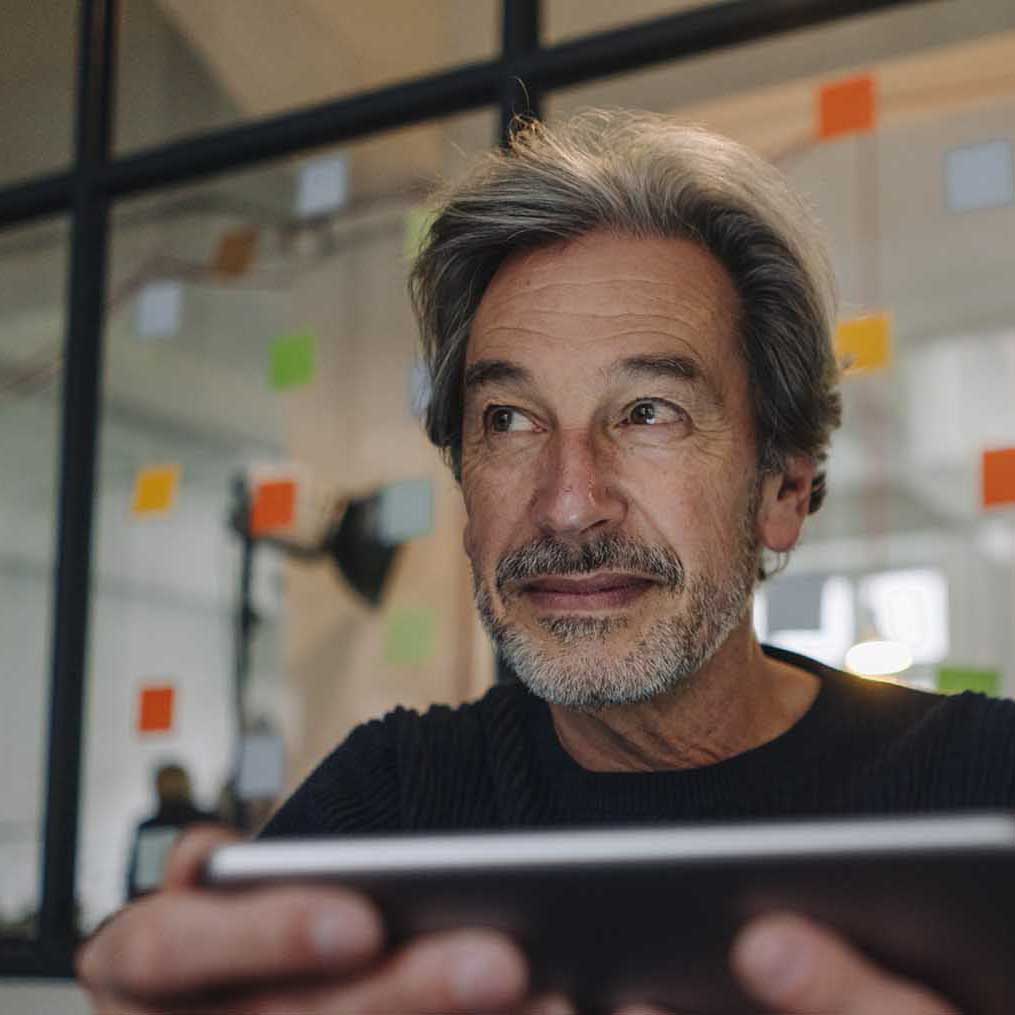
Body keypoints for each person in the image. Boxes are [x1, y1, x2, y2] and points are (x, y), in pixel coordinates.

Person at [78, 110, 1014, 1015]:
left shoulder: (982, 779)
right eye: (510, 420)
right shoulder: (396, 791)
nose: (567, 503)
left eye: (649, 410)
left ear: (779, 491)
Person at [124, 762, 220, 901]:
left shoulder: (150, 828)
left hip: (157, 905)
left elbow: (137, 885)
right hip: (201, 902)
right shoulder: (208, 822)